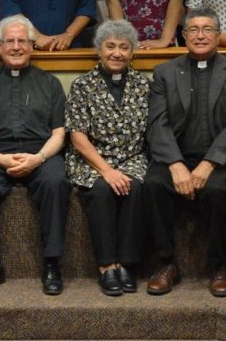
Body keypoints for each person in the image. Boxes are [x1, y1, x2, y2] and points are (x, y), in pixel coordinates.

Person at [144, 8, 226, 297]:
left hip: (223, 158)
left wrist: (209, 163)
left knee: (218, 191)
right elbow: (157, 123)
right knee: (154, 184)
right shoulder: (164, 73)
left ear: (218, 36)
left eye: (207, 29)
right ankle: (166, 264)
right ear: (184, 36)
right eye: (193, 29)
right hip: (177, 154)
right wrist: (175, 163)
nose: (200, 35)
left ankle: (220, 267)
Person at [0, 15, 70, 295]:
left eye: (22, 41)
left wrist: (39, 159)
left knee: (56, 181)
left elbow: (59, 133)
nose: (15, 46)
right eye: (9, 41)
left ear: (32, 46)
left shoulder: (51, 84)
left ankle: (52, 263)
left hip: (40, 152)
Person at [64, 21, 149, 297]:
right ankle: (106, 265)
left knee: (135, 188)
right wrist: (107, 170)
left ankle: (126, 264)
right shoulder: (82, 85)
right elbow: (78, 137)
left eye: (124, 47)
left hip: (132, 157)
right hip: (92, 160)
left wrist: (120, 170)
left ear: (132, 52)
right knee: (101, 189)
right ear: (99, 49)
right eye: (110, 46)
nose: (117, 53)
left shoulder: (144, 85)